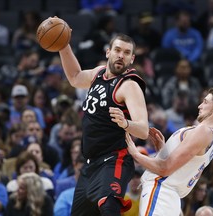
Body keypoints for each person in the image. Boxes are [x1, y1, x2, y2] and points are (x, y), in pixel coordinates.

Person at [57, 31, 149, 216]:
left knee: (109, 206)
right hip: (90, 164)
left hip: (114, 159)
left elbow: (144, 130)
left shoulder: (129, 85)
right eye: (117, 50)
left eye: (126, 52)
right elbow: (75, 77)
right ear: (108, 52)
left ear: (132, 59)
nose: (121, 55)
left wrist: (126, 123)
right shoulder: (98, 74)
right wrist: (63, 45)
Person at [125, 86, 213, 216]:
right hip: (170, 197)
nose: (200, 106)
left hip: (161, 191)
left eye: (205, 102)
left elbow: (164, 169)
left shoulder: (203, 131)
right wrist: (163, 150)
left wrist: (135, 153)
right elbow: (180, 168)